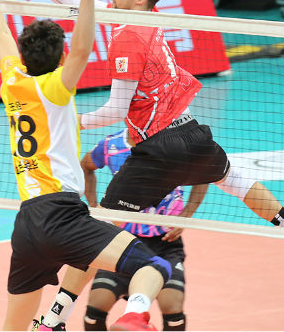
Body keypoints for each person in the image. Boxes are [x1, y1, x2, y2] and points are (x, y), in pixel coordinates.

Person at [6, 0, 284, 264]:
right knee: (235, 179)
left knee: (103, 226)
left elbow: (115, 111)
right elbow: (78, 1)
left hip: (159, 147)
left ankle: (74, 299)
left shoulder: (127, 39)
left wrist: (69, 120)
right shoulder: (149, 17)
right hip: (191, 132)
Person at [0, 0, 172, 332]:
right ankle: (133, 316)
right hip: (63, 215)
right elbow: (83, 48)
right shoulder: (57, 89)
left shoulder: (12, 80)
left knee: (14, 327)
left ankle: (54, 320)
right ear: (60, 60)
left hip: (27, 225)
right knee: (154, 266)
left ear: (23, 55)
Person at [81, 129, 207, 331]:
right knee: (94, 311)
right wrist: (94, 206)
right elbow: (86, 166)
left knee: (172, 309)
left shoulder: (175, 146)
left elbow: (205, 172)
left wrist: (187, 215)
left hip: (164, 243)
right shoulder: (111, 144)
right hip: (122, 242)